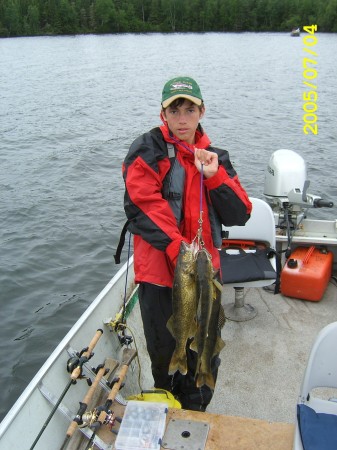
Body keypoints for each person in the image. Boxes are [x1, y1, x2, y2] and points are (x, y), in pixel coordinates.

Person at [122, 76, 252, 411]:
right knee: (166, 351)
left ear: (201, 111)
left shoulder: (216, 157)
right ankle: (168, 403)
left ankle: (196, 409)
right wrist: (180, 250)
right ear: (163, 113)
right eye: (175, 109)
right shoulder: (147, 149)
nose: (182, 118)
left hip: (206, 277)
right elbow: (141, 204)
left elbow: (240, 212)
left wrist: (214, 176)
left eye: (189, 109)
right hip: (161, 278)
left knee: (205, 348)